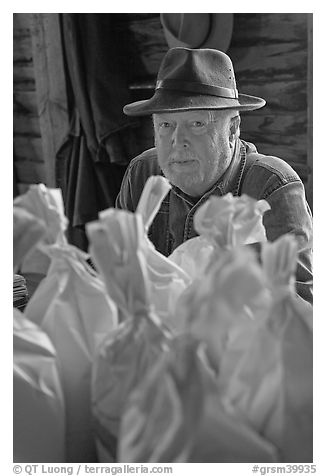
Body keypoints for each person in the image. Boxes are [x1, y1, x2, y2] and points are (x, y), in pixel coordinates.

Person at [116, 47, 313, 304]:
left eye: (197, 124)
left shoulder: (272, 185)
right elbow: (113, 273)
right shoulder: (142, 174)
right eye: (166, 125)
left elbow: (301, 313)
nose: (177, 142)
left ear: (233, 129)